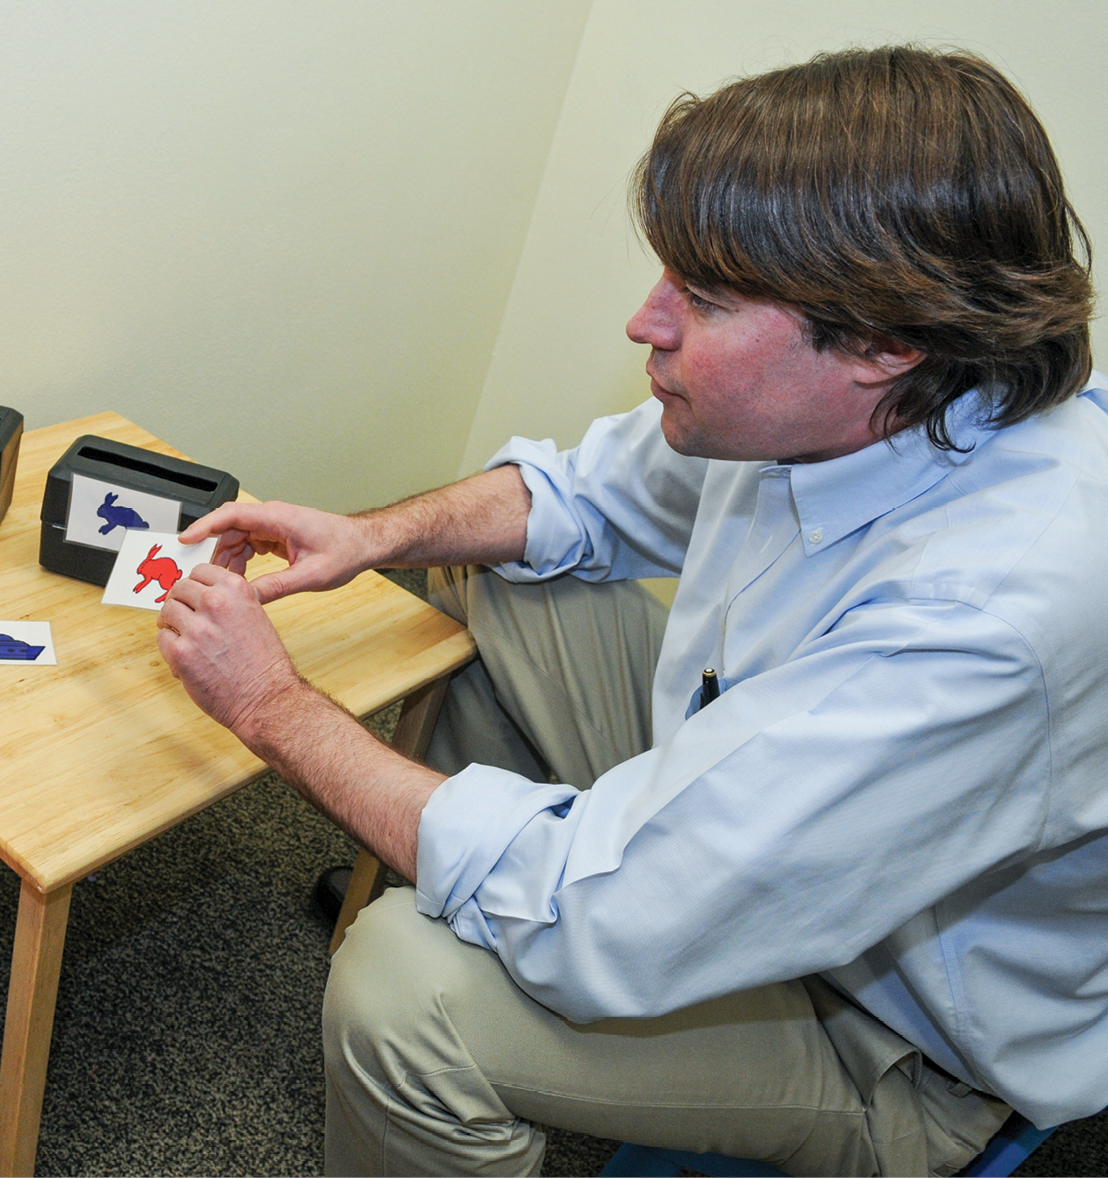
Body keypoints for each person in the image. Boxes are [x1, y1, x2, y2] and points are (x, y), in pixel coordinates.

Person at [157, 47, 1108, 1176]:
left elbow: (597, 921)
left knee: (401, 989)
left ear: (882, 341)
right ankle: (487, 877)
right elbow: (573, 498)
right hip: (756, 814)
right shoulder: (895, 397)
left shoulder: (989, 616)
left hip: (893, 1035)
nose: (643, 323)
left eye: (701, 299)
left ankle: (470, 947)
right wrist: (375, 537)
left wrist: (272, 706)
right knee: (493, 567)